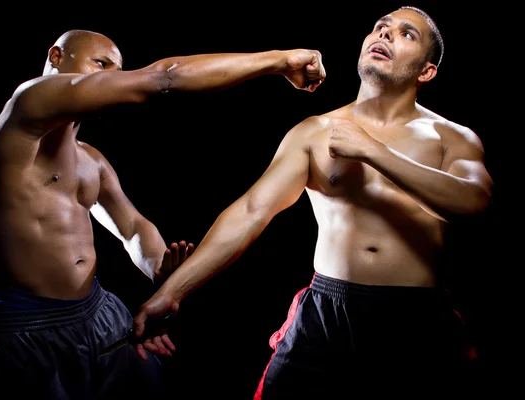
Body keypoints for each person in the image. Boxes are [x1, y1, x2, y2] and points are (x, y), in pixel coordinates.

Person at [133, 6, 494, 398]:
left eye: (408, 34)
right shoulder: (315, 131)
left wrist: (373, 151)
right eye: (380, 27)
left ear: (426, 70)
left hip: (415, 319)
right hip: (327, 312)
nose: (385, 35)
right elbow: (252, 211)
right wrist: (172, 292)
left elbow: (473, 202)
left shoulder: (451, 137)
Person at [0, 28, 326, 400]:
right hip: (27, 325)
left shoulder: (91, 160)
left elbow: (133, 228)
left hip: (99, 313)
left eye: (118, 70)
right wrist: (279, 60)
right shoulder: (26, 108)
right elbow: (163, 79)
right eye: (101, 64)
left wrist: (159, 272)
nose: (111, 77)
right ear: (56, 57)